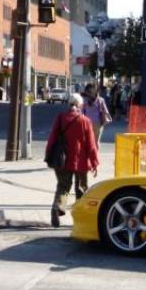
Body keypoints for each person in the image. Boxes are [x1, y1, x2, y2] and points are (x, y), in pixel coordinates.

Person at [46, 93, 99, 228]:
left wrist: (48, 156)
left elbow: (52, 138)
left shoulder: (60, 118)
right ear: (80, 105)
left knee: (63, 187)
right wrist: (94, 163)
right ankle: (80, 219)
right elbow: (91, 145)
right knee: (81, 188)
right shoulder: (85, 121)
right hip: (81, 161)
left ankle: (57, 208)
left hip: (62, 160)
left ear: (69, 104)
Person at [82, 83, 111, 149]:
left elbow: (82, 112)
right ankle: (95, 156)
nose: (88, 93)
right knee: (96, 141)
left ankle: (90, 155)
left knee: (88, 140)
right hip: (98, 123)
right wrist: (106, 119)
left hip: (87, 122)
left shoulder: (85, 100)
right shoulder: (100, 100)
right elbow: (105, 111)